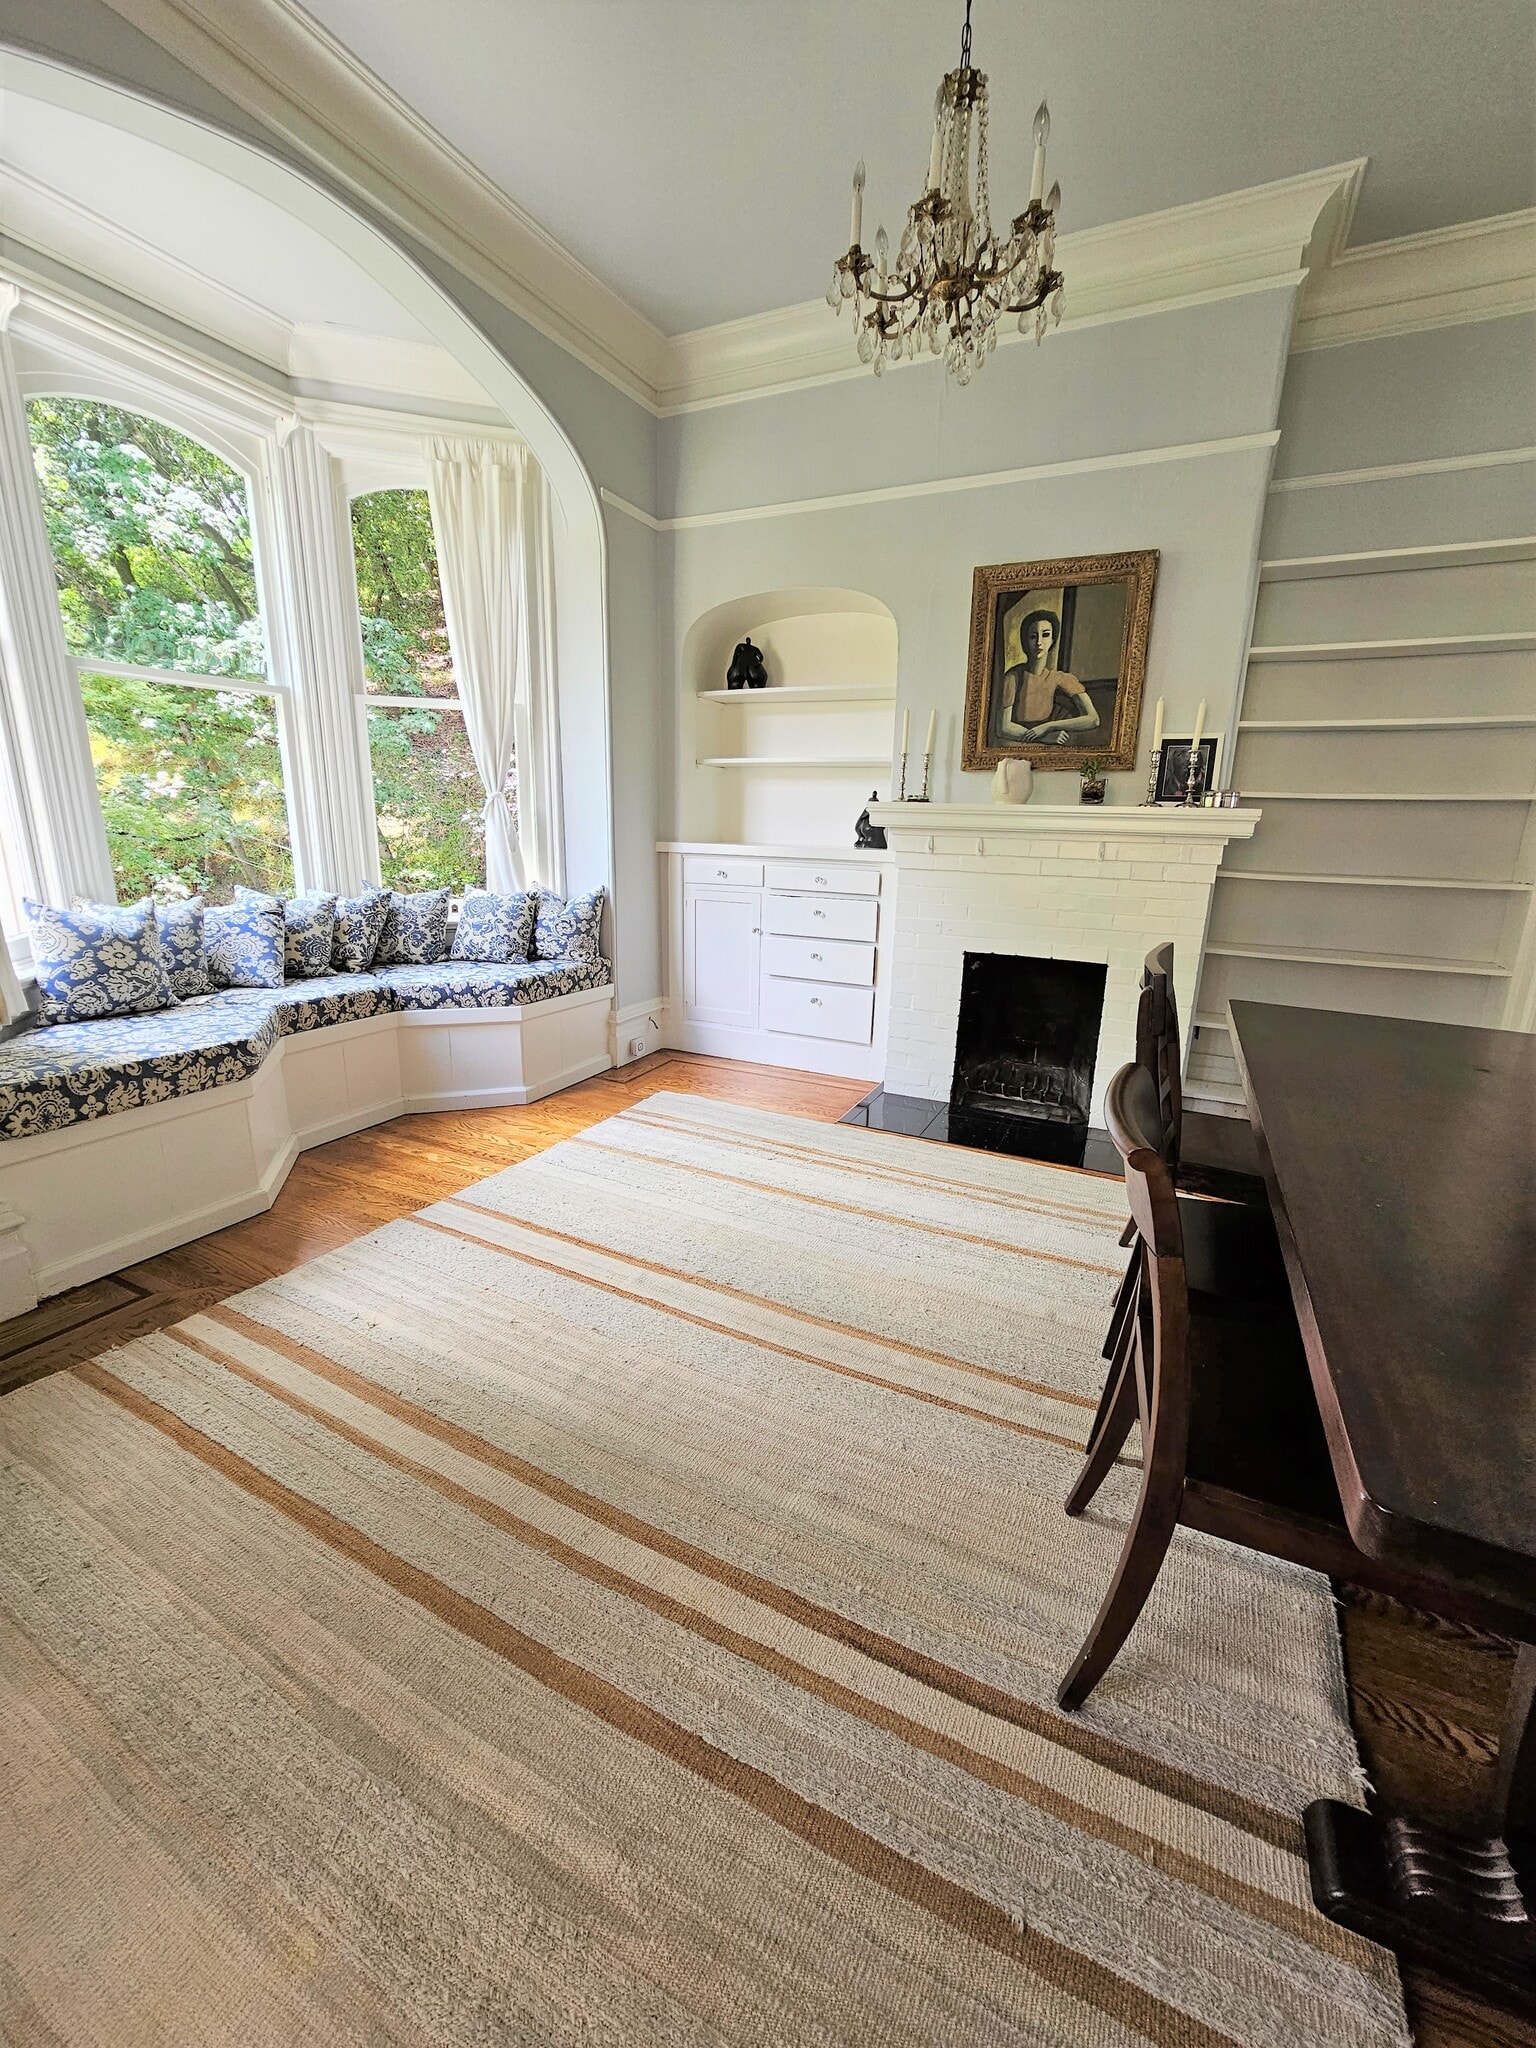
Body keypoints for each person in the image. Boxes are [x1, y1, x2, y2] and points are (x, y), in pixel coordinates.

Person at [997, 609, 1100, 744]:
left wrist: (1049, 726)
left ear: (1052, 640)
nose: (1039, 642)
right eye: (1033, 636)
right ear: (1025, 641)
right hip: (1018, 743)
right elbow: (1003, 727)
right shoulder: (1013, 677)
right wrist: (1043, 738)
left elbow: (1093, 719)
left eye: (1045, 635)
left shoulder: (1060, 678)